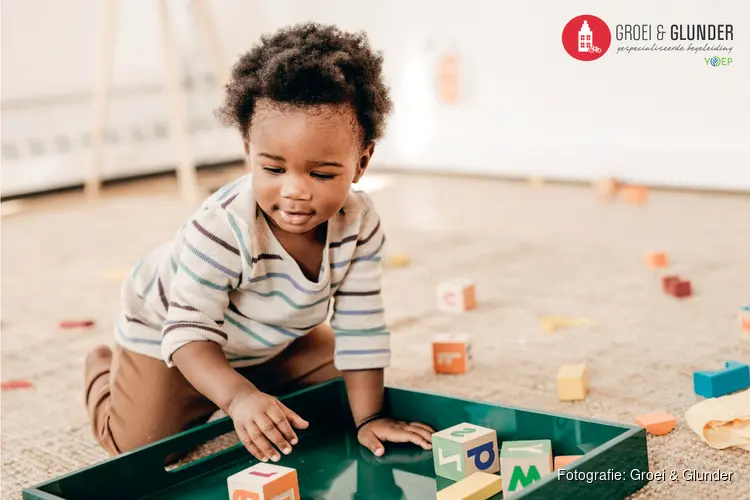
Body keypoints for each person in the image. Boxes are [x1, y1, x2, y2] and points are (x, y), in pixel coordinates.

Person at [83, 21, 435, 464]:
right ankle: (102, 367)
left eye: (322, 174)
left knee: (343, 395)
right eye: (273, 169)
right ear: (248, 148)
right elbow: (189, 333)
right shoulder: (222, 228)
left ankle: (242, 380)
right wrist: (237, 399)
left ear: (361, 163)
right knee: (139, 449)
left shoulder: (359, 223)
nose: (294, 191)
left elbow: (362, 325)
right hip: (171, 335)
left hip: (264, 340)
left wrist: (368, 419)